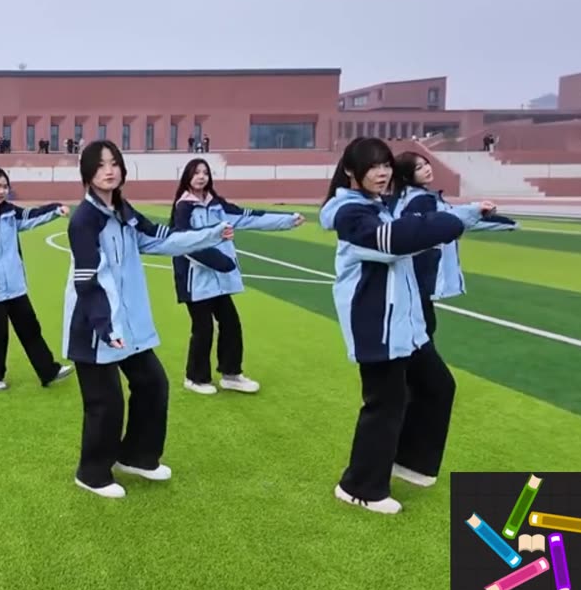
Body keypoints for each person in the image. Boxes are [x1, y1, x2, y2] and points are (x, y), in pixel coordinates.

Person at [317, 138, 491, 514]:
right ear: (350, 171)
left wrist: (472, 213)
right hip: (376, 323)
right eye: (374, 166)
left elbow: (421, 226)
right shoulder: (350, 214)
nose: (382, 173)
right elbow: (396, 240)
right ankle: (359, 486)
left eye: (386, 166)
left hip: (405, 323)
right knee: (385, 403)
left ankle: (408, 462)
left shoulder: (377, 206)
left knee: (437, 387)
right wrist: (450, 221)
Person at [63, 140, 234, 499]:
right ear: (88, 174)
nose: (109, 171)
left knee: (153, 384)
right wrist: (106, 327)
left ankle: (137, 456)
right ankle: (91, 472)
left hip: (129, 324)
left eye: (114, 163)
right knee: (105, 402)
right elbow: (88, 278)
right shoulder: (84, 219)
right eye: (100, 166)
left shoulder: (124, 211)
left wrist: (211, 234)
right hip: (95, 326)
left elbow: (161, 238)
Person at [170, 158, 303, 395]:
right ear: (187, 177)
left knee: (231, 323)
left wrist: (287, 220)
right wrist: (219, 262)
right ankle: (195, 378)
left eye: (205, 173)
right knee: (203, 328)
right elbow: (182, 243)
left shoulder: (218, 205)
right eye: (196, 173)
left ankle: (231, 374)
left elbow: (249, 216)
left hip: (219, 281)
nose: (201, 177)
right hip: (196, 281)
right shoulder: (183, 208)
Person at [0, 164, 73, 390]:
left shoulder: (11, 213)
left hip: (14, 286)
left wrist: (55, 208)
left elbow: (32, 216)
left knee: (30, 328)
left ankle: (48, 371)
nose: (1, 191)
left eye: (5, 187)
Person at [392, 151, 518, 338]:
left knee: (420, 334)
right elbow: (442, 221)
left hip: (412, 279)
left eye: (426, 164)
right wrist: (476, 210)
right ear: (406, 175)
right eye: (418, 168)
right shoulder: (419, 200)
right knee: (421, 336)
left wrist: (494, 219)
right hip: (417, 276)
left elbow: (454, 218)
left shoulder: (413, 197)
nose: (427, 169)